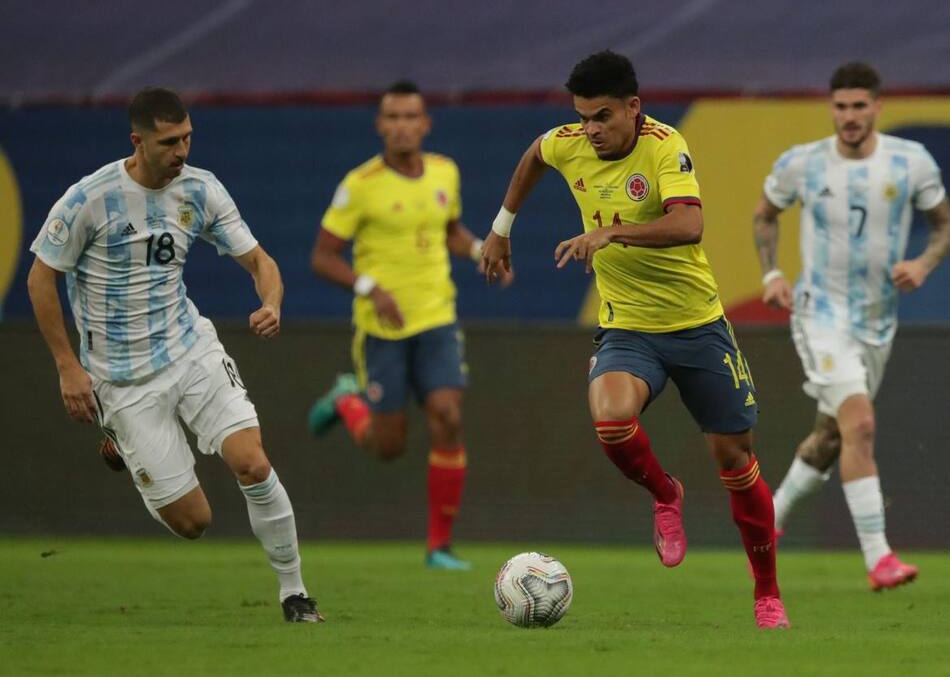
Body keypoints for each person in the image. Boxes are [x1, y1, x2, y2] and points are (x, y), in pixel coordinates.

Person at [480, 50, 788, 628]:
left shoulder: (666, 146)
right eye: (583, 117)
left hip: (697, 324)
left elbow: (690, 224)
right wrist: (501, 229)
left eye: (603, 117)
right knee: (611, 420)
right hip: (628, 326)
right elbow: (533, 157)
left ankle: (766, 592)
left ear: (633, 108)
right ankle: (666, 493)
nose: (591, 130)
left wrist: (612, 232)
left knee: (736, 460)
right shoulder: (568, 141)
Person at [26, 88, 323, 623]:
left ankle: (295, 594)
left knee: (253, 463)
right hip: (120, 380)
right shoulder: (89, 199)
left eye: (187, 137)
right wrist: (68, 367)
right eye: (169, 142)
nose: (182, 150)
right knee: (194, 522)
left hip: (190, 351)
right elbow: (41, 278)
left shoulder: (201, 190)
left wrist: (271, 302)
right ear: (137, 142)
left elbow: (260, 261)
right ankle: (120, 436)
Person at [754, 62, 950, 590]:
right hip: (819, 314)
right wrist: (771, 273)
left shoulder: (911, 163)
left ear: (877, 108)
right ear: (831, 108)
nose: (850, 116)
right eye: (841, 106)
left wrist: (924, 264)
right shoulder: (804, 164)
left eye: (860, 106)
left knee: (831, 436)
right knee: (860, 424)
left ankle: (767, 517)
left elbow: (943, 225)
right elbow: (765, 214)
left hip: (876, 322)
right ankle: (880, 557)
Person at [307, 81, 506, 570]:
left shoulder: (445, 171)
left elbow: (449, 232)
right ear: (380, 126)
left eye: (409, 116)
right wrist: (370, 288)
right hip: (382, 330)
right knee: (388, 446)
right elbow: (322, 257)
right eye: (391, 117)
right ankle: (346, 400)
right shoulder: (360, 185)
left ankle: (439, 547)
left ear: (425, 124)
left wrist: (483, 251)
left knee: (448, 416)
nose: (401, 125)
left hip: (437, 317)